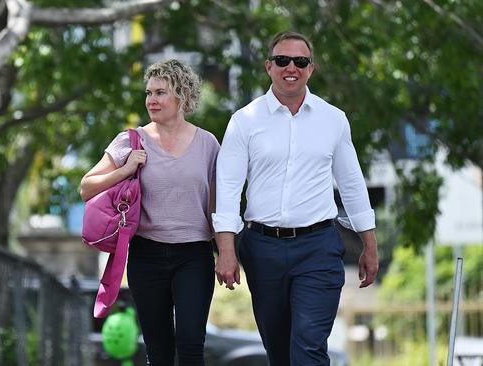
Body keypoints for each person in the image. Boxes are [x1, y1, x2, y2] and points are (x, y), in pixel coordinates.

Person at [212, 31, 379, 366]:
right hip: (262, 249)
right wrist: (226, 250)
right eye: (282, 60)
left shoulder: (333, 119)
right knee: (279, 352)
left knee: (309, 349)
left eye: (300, 61)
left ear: (311, 69)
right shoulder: (244, 121)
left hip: (318, 248)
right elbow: (227, 188)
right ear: (269, 66)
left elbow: (352, 184)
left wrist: (370, 244)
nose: (292, 67)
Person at [80, 59, 220, 366]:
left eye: (160, 93)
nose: (151, 100)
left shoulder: (208, 144)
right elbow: (86, 187)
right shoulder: (131, 140)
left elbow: (215, 206)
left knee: (191, 343)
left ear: (181, 96)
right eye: (148, 93)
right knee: (158, 350)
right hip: (147, 255)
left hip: (194, 255)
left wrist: (226, 251)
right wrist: (126, 169)